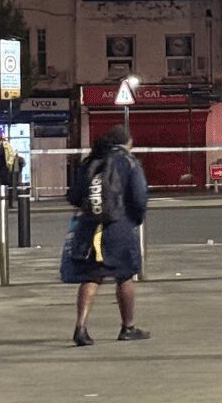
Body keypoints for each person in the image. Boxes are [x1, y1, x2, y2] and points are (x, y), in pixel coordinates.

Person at [62, 125, 150, 346]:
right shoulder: (129, 162)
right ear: (127, 142)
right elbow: (138, 197)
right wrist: (135, 219)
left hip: (89, 226)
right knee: (125, 275)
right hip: (118, 226)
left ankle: (80, 327)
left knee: (92, 276)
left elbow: (73, 195)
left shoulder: (90, 161)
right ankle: (127, 326)